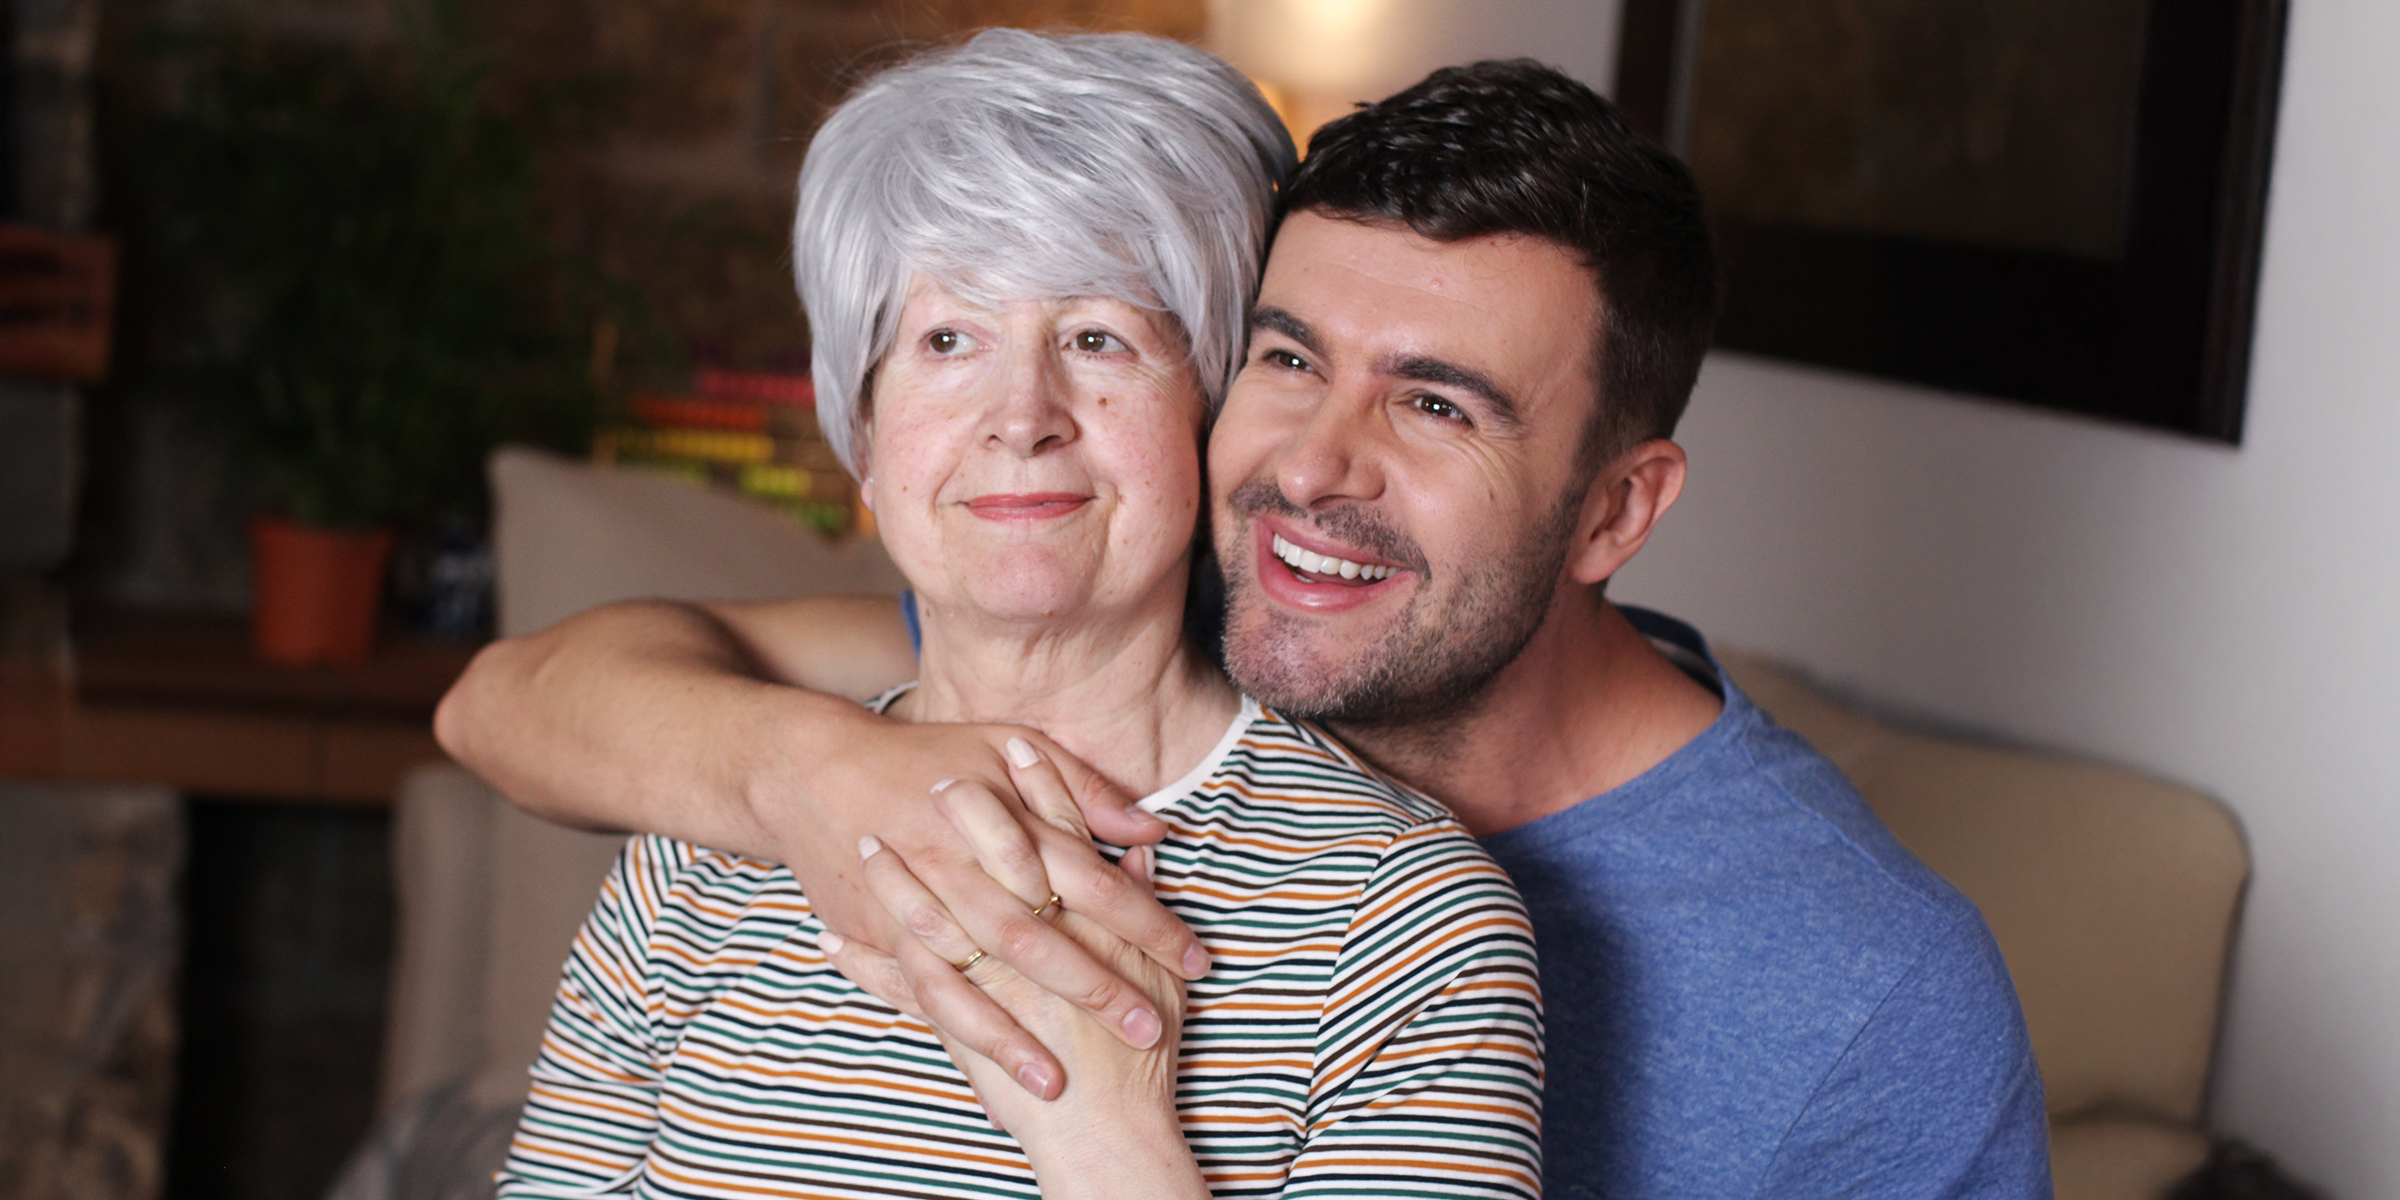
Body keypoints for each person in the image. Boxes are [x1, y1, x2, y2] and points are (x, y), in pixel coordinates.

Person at [443, 57, 2053, 1200]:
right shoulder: (1115, 612)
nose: (1313, 470)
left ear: (1615, 514)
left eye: (1436, 403)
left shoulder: (1857, 989)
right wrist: (802, 779)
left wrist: (1098, 1116)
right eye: (1287, 360)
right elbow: (517, 701)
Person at [484, 31, 1541, 1200]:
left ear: (1213, 418)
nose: (1022, 415)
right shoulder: (698, 849)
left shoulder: (1408, 927)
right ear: (866, 445)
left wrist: (1102, 1136)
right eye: (948, 341)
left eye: (1099, 339)